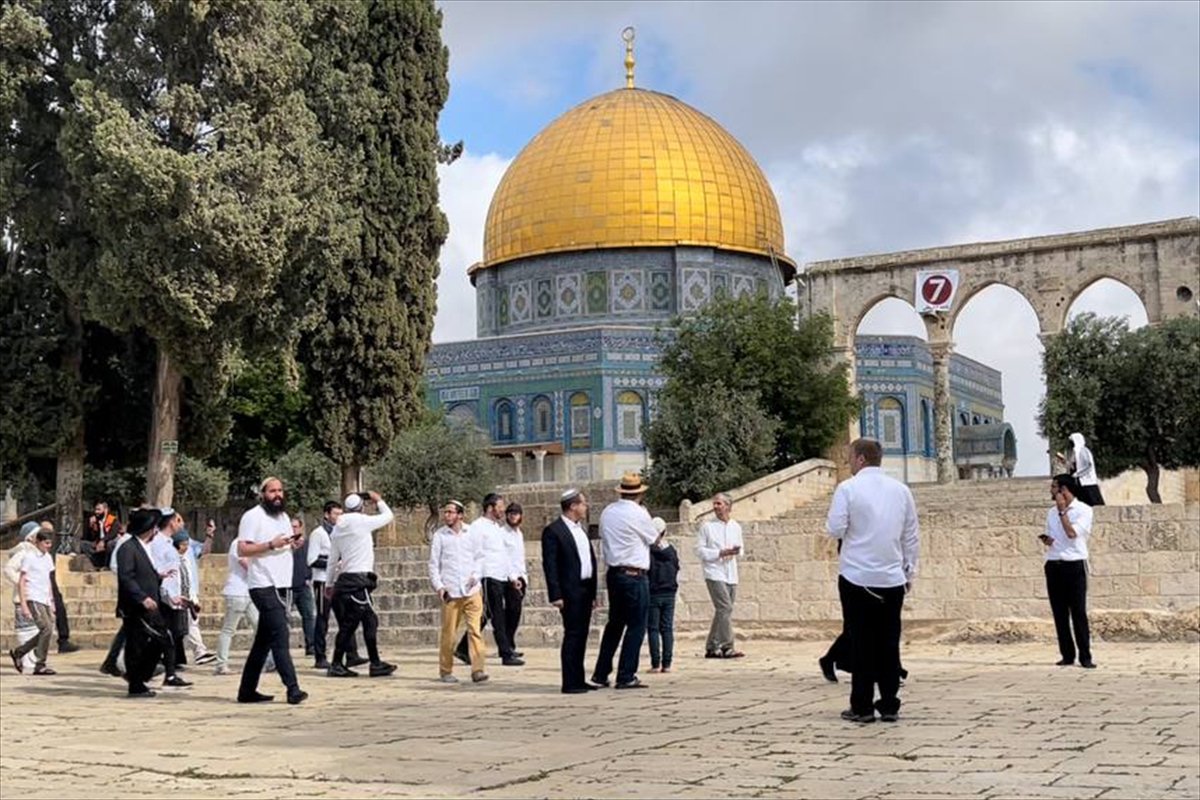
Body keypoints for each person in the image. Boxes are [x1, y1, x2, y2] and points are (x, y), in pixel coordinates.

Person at [826, 437, 919, 724]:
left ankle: (862, 705)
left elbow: (835, 527)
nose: (849, 463)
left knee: (861, 642)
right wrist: (909, 572)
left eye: (850, 457)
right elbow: (911, 535)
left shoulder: (848, 489)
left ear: (861, 459)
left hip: (856, 576)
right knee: (889, 642)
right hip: (891, 578)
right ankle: (889, 703)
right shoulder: (901, 491)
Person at [236, 477, 307, 705]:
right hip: (262, 584)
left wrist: (291, 544)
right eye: (272, 491)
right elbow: (243, 548)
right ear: (263, 494)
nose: (277, 495)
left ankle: (247, 690)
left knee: (263, 642)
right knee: (280, 634)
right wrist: (270, 545)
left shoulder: (284, 517)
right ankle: (292, 688)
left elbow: (282, 544)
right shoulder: (252, 517)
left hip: (281, 584)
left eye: (280, 491)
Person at [591, 472, 658, 690]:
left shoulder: (608, 511)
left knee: (615, 624)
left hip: (614, 574)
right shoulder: (639, 513)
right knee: (637, 625)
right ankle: (626, 674)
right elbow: (654, 539)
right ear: (639, 493)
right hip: (634, 575)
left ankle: (601, 673)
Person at [326, 491, 396, 678]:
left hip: (344, 581)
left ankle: (375, 662)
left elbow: (333, 560)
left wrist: (329, 583)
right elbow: (388, 516)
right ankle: (337, 664)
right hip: (358, 581)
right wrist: (379, 499)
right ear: (361, 507)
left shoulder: (337, 529)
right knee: (351, 624)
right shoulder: (362, 521)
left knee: (369, 621)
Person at [456, 493, 524, 666]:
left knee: (485, 615)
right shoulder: (477, 527)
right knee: (497, 615)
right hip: (487, 576)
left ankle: (463, 649)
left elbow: (503, 555)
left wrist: (512, 577)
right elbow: (473, 553)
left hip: (501, 576)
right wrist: (474, 575)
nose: (503, 509)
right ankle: (505, 653)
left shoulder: (496, 528)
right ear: (490, 507)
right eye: (500, 506)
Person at [542, 489, 598, 694]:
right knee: (573, 634)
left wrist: (592, 593)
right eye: (583, 503)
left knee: (582, 635)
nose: (585, 507)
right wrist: (555, 594)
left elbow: (588, 561)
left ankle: (579, 678)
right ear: (573, 506)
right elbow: (550, 565)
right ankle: (570, 681)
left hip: (584, 589)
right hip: (569, 591)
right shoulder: (554, 531)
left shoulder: (580, 529)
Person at [428, 500, 488, 684]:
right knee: (449, 633)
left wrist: (476, 575)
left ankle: (477, 669)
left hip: (471, 590)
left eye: (451, 512)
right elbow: (433, 564)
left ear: (460, 515)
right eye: (445, 512)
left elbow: (480, 557)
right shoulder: (440, 536)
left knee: (475, 631)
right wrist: (439, 586)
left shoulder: (472, 533)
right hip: (451, 591)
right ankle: (446, 670)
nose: (447, 515)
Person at [1040, 474, 1096, 669]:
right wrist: (1047, 540)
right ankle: (1067, 654)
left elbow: (1072, 534)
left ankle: (1085, 656)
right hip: (1054, 563)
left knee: (1078, 612)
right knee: (1059, 613)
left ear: (1064, 490)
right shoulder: (1050, 513)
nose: (1051, 491)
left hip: (1074, 564)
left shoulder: (1084, 510)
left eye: (1054, 487)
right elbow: (1053, 535)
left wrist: (1063, 511)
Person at [116, 508, 172, 697]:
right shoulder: (127, 548)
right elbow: (126, 577)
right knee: (136, 645)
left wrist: (158, 577)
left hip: (151, 603)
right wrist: (141, 597)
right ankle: (136, 683)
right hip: (136, 607)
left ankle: (140, 676)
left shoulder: (145, 548)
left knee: (161, 639)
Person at [307, 501, 364, 671]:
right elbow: (312, 560)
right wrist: (333, 563)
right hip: (322, 581)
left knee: (346, 618)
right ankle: (320, 656)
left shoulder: (341, 533)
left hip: (338, 581)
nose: (339, 517)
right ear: (327, 515)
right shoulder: (318, 534)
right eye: (335, 514)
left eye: (341, 514)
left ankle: (351, 654)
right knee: (323, 618)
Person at [695, 492, 745, 659]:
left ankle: (711, 646)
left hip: (731, 572)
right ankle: (727, 646)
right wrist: (719, 552)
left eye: (719, 504)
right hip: (714, 571)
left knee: (723, 611)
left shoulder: (735, 526)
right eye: (714, 504)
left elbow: (741, 549)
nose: (716, 507)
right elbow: (700, 550)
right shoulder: (707, 527)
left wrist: (734, 551)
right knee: (725, 607)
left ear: (728, 506)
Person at [213, 539, 271, 676]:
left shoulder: (253, 544)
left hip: (249, 592)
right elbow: (246, 564)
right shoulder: (237, 544)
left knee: (260, 627)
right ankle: (221, 664)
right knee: (229, 629)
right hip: (237, 592)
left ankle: (267, 661)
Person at [148, 509, 192, 687]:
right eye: (178, 520)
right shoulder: (160, 544)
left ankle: (169, 673)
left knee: (170, 637)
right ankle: (160, 671)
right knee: (165, 637)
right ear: (171, 522)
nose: (180, 523)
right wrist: (170, 597)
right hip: (165, 598)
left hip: (171, 596)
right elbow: (162, 573)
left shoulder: (165, 543)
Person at [7, 529, 57, 675]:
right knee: (46, 628)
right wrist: (24, 603)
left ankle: (19, 652)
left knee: (47, 630)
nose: (48, 546)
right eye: (46, 543)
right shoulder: (29, 557)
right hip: (33, 597)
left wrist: (52, 600)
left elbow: (48, 580)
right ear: (38, 542)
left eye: (50, 543)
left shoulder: (48, 558)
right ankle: (40, 664)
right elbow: (22, 580)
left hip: (44, 598)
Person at [175, 527, 217, 666]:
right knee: (182, 627)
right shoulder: (171, 558)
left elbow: (204, 550)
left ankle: (199, 652)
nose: (186, 547)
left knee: (191, 623)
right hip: (176, 597)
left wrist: (209, 535)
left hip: (188, 596)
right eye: (184, 544)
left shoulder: (186, 559)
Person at [4, 524, 43, 672]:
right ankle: (25, 659)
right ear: (31, 537)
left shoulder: (37, 553)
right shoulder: (24, 552)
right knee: (25, 630)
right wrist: (22, 582)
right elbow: (8, 569)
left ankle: (31, 658)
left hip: (36, 597)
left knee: (36, 629)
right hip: (23, 598)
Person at [39, 520, 79, 654]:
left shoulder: (48, 551)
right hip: (36, 585)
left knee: (59, 607)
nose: (48, 537)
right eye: (45, 533)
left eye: (50, 533)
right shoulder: (30, 551)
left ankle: (63, 640)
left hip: (50, 582)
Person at [647, 517, 679, 674]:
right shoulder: (671, 552)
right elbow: (676, 568)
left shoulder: (648, 551)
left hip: (653, 593)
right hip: (669, 593)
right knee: (667, 628)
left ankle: (655, 664)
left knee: (653, 628)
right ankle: (667, 664)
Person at [500, 502, 528, 660]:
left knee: (512, 613)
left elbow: (519, 558)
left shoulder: (519, 533)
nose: (513, 516)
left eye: (516, 513)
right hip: (509, 578)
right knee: (512, 612)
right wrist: (512, 578)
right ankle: (507, 646)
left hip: (520, 577)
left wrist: (523, 577)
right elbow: (504, 558)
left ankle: (508, 645)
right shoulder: (502, 533)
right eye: (510, 513)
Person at [290, 517, 316, 657]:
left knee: (309, 616)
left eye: (295, 526)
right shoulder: (284, 546)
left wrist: (309, 577)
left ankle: (311, 645)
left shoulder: (307, 545)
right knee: (284, 617)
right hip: (288, 586)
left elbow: (311, 561)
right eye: (291, 527)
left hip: (303, 585)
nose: (293, 529)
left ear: (300, 528)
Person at [1063, 433, 1105, 506]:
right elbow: (1074, 466)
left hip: (1088, 481)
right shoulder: (1076, 451)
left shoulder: (1083, 451)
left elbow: (1089, 465)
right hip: (1080, 482)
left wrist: (1078, 473)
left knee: (1095, 503)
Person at [81, 500, 121, 570]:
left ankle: (107, 566)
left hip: (110, 542)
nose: (96, 512)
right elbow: (88, 537)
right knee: (82, 544)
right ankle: (97, 564)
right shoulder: (95, 520)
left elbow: (113, 533)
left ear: (105, 510)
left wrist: (103, 541)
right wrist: (89, 526)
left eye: (99, 510)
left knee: (110, 544)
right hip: (98, 543)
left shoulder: (113, 520)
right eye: (95, 509)